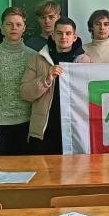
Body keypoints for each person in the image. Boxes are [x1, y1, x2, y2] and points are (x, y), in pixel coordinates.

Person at [22, 16, 88, 154]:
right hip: (45, 129)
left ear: (74, 37)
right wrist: (46, 79)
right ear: (52, 35)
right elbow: (25, 93)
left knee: (72, 168)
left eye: (68, 33)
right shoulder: (38, 59)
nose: (63, 37)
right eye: (59, 33)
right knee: (42, 167)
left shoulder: (85, 62)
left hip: (74, 129)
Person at [0, 7, 37, 155]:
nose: (14, 28)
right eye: (9, 24)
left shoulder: (34, 56)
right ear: (2, 27)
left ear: (24, 28)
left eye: (18, 24)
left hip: (27, 123)